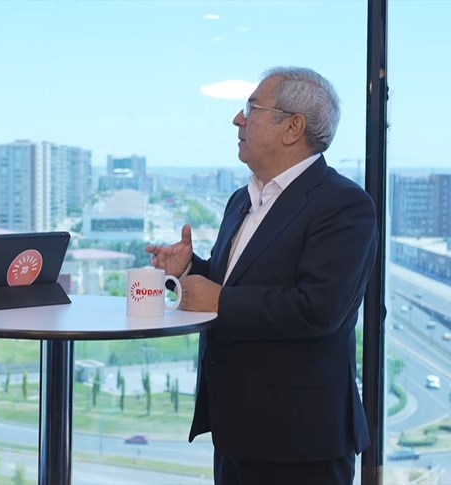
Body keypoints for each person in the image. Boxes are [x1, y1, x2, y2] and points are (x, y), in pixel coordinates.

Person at [146, 66, 377, 484]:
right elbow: (237, 285)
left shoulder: (344, 205)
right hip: (236, 432)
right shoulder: (242, 199)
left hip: (302, 441)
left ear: (292, 127)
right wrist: (191, 270)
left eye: (251, 108)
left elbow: (318, 309)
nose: (238, 119)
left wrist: (217, 299)